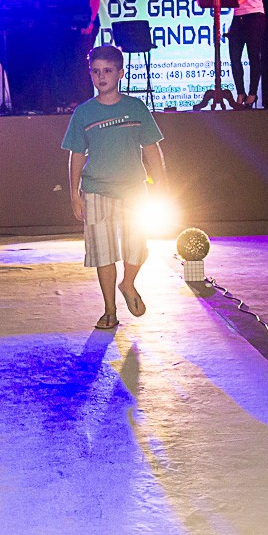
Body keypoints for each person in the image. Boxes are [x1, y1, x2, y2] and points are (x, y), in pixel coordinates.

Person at [62, 45, 167, 330]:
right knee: (103, 253)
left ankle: (128, 283)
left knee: (138, 247)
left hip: (134, 190)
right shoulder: (83, 113)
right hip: (96, 191)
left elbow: (152, 149)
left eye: (107, 71)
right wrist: (74, 194)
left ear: (120, 73)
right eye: (96, 71)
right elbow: (76, 154)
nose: (101, 77)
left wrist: (162, 185)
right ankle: (109, 310)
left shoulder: (136, 107)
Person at [49, 0, 101, 112]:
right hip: (66, 25)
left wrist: (90, 22)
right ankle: (70, 100)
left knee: (80, 62)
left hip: (85, 23)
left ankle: (86, 101)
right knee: (66, 62)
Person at [228, 0, 266, 109]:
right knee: (234, 56)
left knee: (253, 56)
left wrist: (235, 2)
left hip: (254, 18)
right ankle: (240, 92)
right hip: (238, 19)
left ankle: (252, 93)